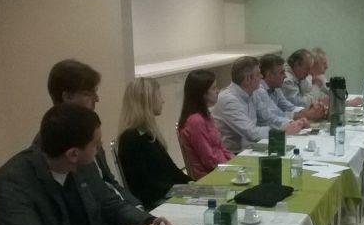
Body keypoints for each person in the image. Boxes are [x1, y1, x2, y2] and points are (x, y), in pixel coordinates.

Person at [0, 104, 176, 225]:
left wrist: (148, 221)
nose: (98, 149)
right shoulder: (12, 183)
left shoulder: (82, 163)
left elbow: (111, 205)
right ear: (73, 154)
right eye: (95, 144)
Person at [47, 59, 142, 208]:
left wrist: (139, 209)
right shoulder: (57, 146)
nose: (97, 99)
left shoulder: (91, 131)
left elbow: (109, 182)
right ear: (67, 97)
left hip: (116, 209)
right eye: (89, 93)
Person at [117, 78, 191, 208]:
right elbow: (146, 185)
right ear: (148, 100)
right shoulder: (131, 138)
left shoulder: (145, 132)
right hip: (157, 201)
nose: (163, 100)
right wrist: (184, 190)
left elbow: (171, 169)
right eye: (159, 96)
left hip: (167, 193)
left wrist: (193, 184)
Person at [213, 56, 305, 153]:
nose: (261, 77)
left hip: (252, 147)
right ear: (248, 79)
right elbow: (251, 133)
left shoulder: (253, 92)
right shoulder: (229, 100)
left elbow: (269, 118)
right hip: (234, 154)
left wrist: (292, 123)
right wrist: (282, 131)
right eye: (258, 74)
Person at [177, 69, 233, 179]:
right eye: (213, 88)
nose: (218, 91)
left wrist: (234, 160)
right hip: (210, 176)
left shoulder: (205, 114)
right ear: (202, 93)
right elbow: (209, 160)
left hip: (221, 167)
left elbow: (220, 147)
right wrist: (231, 167)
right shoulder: (195, 121)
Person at [253, 54, 321, 129]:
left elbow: (289, 107)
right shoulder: (259, 90)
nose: (285, 76)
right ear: (269, 75)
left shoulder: (276, 88)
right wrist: (302, 119)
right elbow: (274, 117)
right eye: (281, 73)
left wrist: (308, 111)